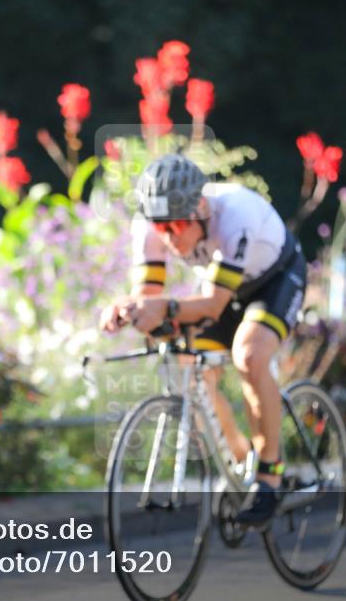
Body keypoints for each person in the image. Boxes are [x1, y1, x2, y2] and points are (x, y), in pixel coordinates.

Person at [98, 154, 307, 526]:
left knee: (249, 355)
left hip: (273, 281)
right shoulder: (149, 227)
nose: (169, 236)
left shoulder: (234, 216)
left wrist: (161, 308)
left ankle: (270, 473)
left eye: (177, 224)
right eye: (160, 227)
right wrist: (129, 310)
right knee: (185, 368)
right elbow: (149, 294)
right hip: (222, 286)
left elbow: (213, 303)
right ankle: (242, 460)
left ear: (200, 208)